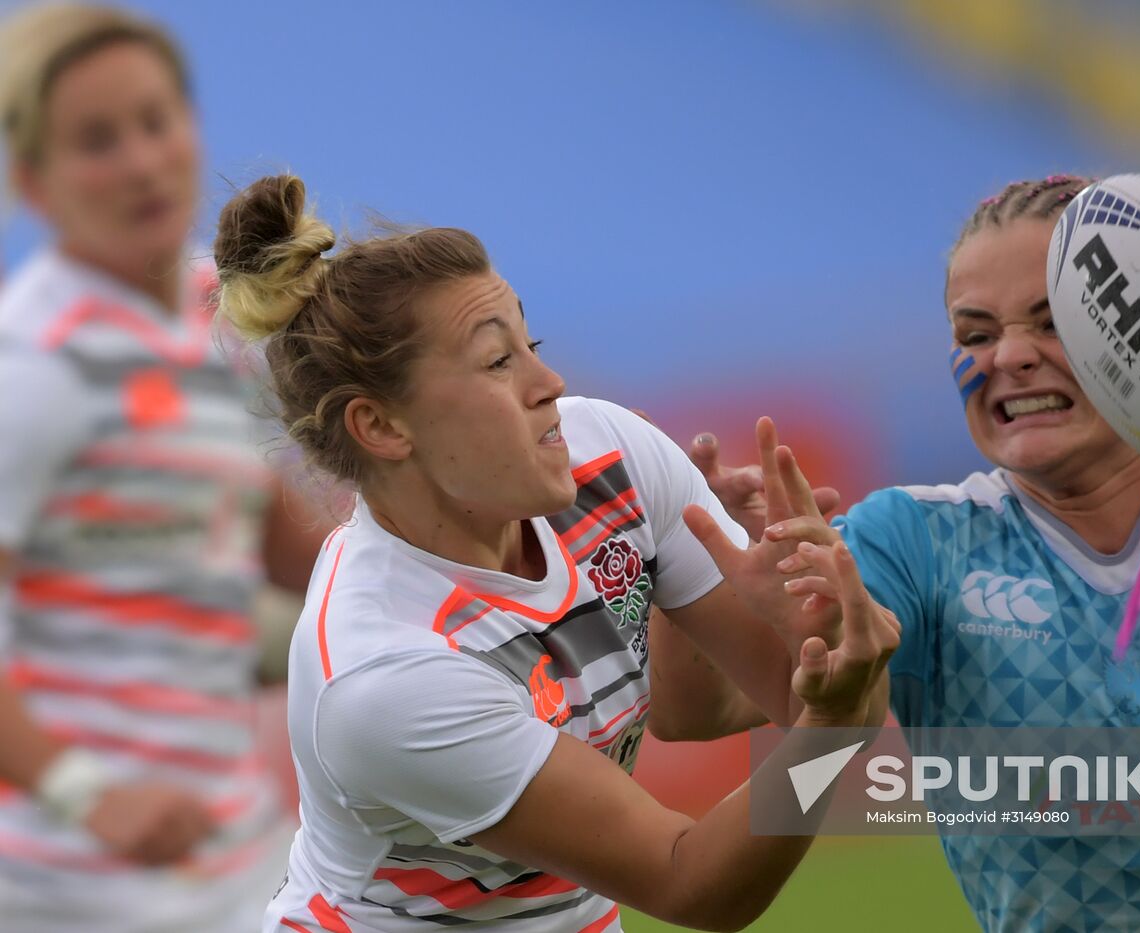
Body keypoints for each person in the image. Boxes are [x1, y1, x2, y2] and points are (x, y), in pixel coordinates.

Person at [683, 174, 1140, 931]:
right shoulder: (912, 541)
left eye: (1055, 321)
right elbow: (703, 715)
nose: (1010, 357)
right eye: (975, 333)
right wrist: (693, 554)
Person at [212, 173, 899, 932]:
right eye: (498, 361)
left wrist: (825, 638)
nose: (552, 382)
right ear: (381, 426)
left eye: (529, 343)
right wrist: (831, 727)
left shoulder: (610, 457)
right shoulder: (387, 673)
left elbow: (705, 711)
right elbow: (691, 881)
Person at [0, 5, 323, 929]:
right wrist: (86, 792)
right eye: (97, 140)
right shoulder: (35, 364)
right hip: (71, 890)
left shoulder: (190, 320)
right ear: (34, 180)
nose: (142, 161)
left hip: (235, 859)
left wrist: (435, 578)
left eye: (156, 120)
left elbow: (261, 529)